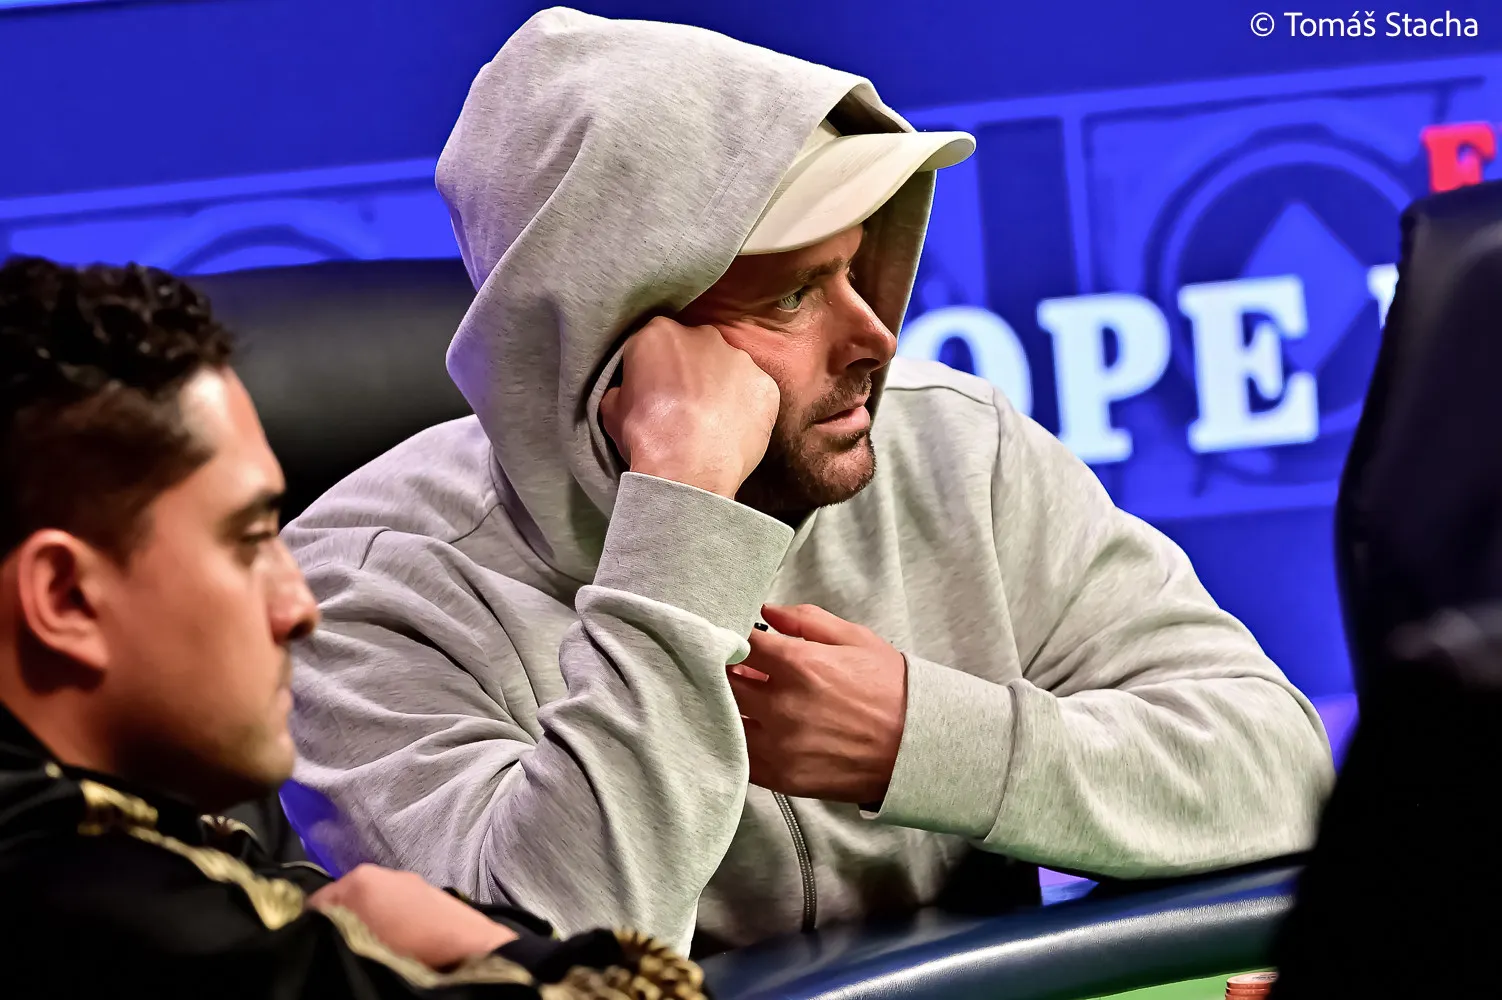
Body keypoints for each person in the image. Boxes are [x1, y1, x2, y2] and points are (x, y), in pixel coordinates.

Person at [283, 7, 1335, 957]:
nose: (875, 337)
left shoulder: (955, 447)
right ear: (609, 345)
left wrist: (915, 739)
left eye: (854, 267)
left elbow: (1282, 771)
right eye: (791, 295)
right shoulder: (361, 596)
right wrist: (679, 537)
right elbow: (545, 963)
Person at [0, 256, 708, 999]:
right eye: (249, 542)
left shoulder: (123, 845)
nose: (298, 608)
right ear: (66, 598)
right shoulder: (103, 912)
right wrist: (686, 500)